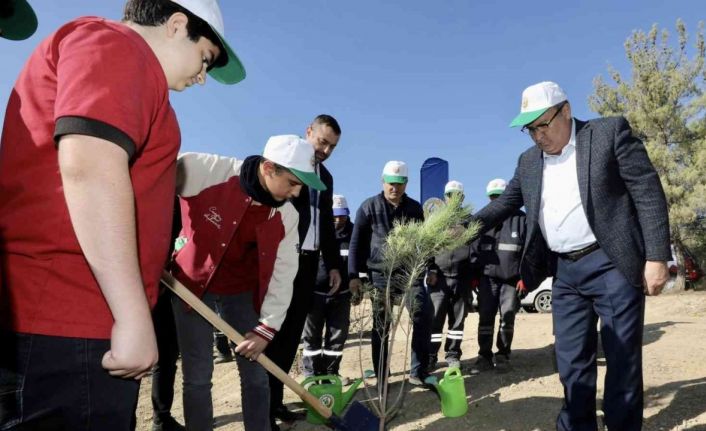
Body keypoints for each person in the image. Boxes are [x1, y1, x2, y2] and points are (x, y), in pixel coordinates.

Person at [0, 0, 244, 429]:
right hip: (69, 319)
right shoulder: (118, 46)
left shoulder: (132, 72)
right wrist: (132, 315)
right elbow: (90, 167)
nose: (203, 77)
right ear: (176, 24)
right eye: (205, 58)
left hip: (75, 318)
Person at [473, 81, 671, 431]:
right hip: (564, 272)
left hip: (611, 264)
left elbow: (647, 190)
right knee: (570, 362)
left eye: (543, 124)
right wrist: (465, 227)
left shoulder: (608, 133)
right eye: (530, 129)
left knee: (622, 359)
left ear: (565, 110)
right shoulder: (529, 161)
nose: (538, 136)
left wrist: (656, 256)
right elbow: (506, 202)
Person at [169, 135, 323, 431]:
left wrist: (266, 328)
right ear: (268, 169)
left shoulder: (287, 216)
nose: (296, 192)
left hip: (240, 292)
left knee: (255, 374)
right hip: (190, 285)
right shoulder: (204, 170)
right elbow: (151, 181)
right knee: (198, 375)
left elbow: (284, 273)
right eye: (292, 182)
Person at [265, 115, 342, 427]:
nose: (324, 150)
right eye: (322, 141)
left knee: (292, 335)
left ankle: (277, 402)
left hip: (309, 265)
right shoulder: (286, 163)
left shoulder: (327, 177)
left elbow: (324, 222)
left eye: (332, 146)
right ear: (308, 132)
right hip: (282, 260)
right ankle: (264, 410)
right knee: (273, 334)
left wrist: (334, 264)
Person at [348, 161, 435, 386]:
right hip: (380, 275)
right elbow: (356, 244)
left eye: (399, 183)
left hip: (408, 273)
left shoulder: (415, 209)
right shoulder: (368, 207)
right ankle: (382, 376)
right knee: (381, 325)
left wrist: (431, 266)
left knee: (423, 314)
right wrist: (353, 275)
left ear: (406, 183)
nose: (394, 188)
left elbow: (423, 242)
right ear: (382, 181)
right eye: (390, 183)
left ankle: (419, 372)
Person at [469, 178, 526, 375]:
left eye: (499, 197)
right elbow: (473, 250)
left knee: (507, 317)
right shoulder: (482, 220)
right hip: (487, 279)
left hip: (511, 279)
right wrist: (475, 277)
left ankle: (503, 355)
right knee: (485, 317)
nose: (496, 201)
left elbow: (529, 250)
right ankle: (484, 356)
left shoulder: (521, 220)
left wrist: (524, 277)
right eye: (492, 197)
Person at [301, 194, 354, 379]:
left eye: (342, 215)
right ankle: (312, 374)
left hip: (342, 295)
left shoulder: (354, 234)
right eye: (334, 215)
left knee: (337, 338)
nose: (338, 219)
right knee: (311, 336)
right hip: (315, 294)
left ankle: (331, 373)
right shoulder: (314, 232)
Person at [428, 180, 474, 370]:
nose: (453, 198)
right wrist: (430, 269)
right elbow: (427, 247)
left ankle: (453, 354)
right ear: (445, 197)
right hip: (439, 279)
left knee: (457, 321)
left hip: (462, 279)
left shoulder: (470, 221)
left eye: (457, 195)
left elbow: (476, 249)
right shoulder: (435, 220)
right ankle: (430, 355)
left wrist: (472, 274)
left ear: (461, 198)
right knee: (435, 320)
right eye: (450, 195)